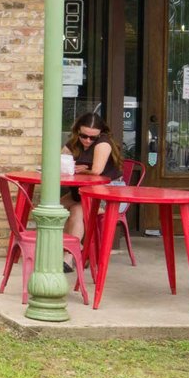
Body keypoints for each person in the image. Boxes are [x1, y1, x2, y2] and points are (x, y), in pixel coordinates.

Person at [61, 112, 125, 269]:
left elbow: (96, 171)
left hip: (109, 193)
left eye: (92, 138)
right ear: (77, 131)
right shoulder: (73, 143)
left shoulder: (103, 143)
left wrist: (82, 170)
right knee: (53, 207)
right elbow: (61, 162)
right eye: (84, 136)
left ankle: (68, 257)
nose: (88, 140)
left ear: (100, 135)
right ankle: (80, 248)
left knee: (77, 210)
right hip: (83, 192)